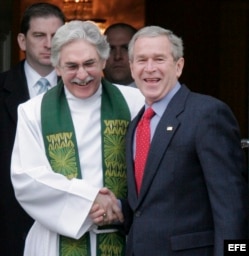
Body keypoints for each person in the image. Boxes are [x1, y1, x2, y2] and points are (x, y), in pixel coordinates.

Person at [11, 20, 144, 256]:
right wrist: (89, 201)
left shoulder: (135, 103)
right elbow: (27, 178)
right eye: (71, 66)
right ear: (57, 67)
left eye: (90, 64)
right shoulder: (33, 112)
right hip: (55, 241)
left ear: (103, 61)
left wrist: (119, 207)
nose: (82, 74)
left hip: (124, 235)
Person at [124, 25, 249, 255]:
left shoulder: (207, 114)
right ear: (132, 68)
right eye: (141, 60)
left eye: (159, 59)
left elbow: (233, 206)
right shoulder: (136, 124)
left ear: (178, 66)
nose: (150, 68)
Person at [0, 3, 65, 255]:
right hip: (8, 222)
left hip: (66, 222)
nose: (49, 44)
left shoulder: (83, 89)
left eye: (56, 36)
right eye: (39, 35)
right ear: (22, 41)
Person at [103, 23, 137, 87]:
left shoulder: (156, 95)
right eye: (111, 49)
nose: (117, 56)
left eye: (125, 48)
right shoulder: (85, 95)